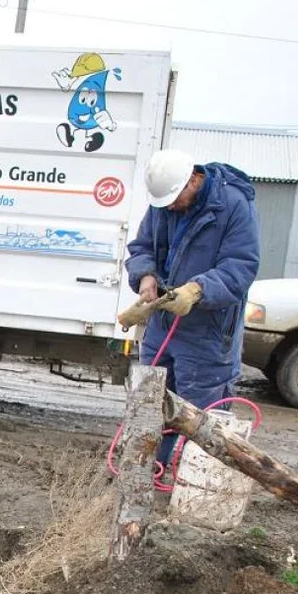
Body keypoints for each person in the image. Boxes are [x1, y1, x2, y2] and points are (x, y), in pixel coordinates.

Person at [120, 148, 260, 471]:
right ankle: (146, 475)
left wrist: (198, 289)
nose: (168, 208)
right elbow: (142, 247)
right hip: (163, 324)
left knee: (202, 418)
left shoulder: (234, 206)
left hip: (208, 334)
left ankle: (190, 485)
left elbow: (242, 266)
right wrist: (145, 277)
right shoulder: (164, 205)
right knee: (151, 405)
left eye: (172, 201)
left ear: (191, 182)